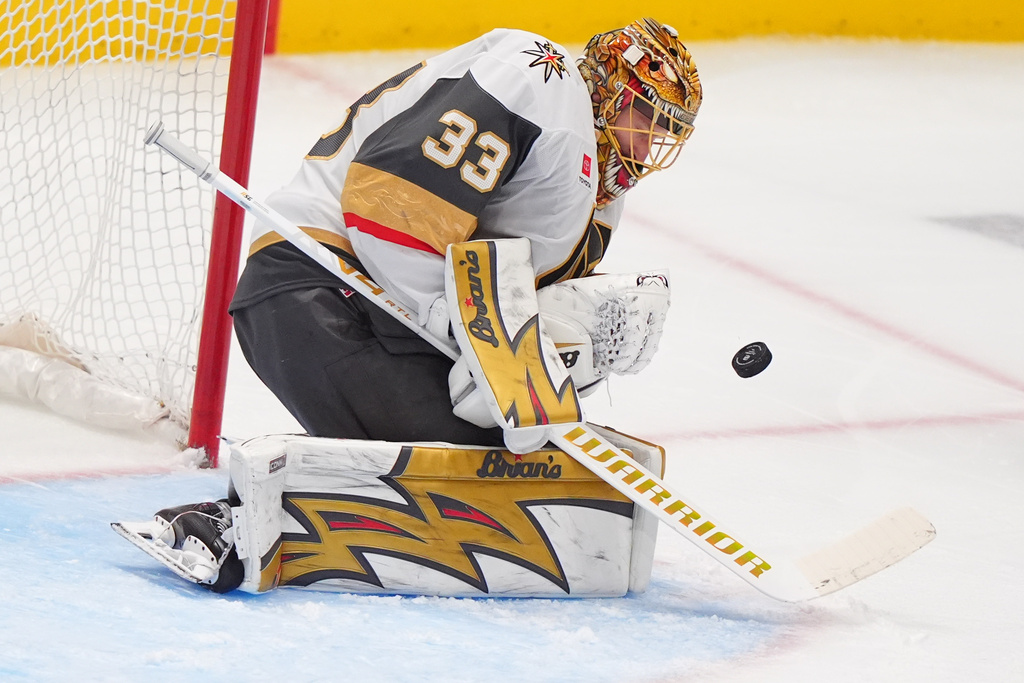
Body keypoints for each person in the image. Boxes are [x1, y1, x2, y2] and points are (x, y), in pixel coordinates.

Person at [118, 18, 702, 593]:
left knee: (513, 461)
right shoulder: (537, 76)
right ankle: (227, 524)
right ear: (607, 86)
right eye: (644, 116)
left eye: (664, 131)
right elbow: (386, 207)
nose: (649, 143)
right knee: (469, 472)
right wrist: (482, 344)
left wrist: (580, 344)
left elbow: (509, 312)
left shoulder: (600, 202)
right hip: (319, 284)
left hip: (385, 314)